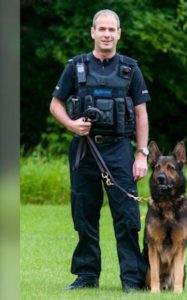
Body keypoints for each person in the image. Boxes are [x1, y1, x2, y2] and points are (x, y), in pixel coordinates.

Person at [50, 9, 150, 293]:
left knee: (128, 217)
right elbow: (55, 103)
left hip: (119, 150)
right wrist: (71, 124)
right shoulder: (76, 67)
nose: (107, 34)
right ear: (93, 32)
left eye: (111, 29)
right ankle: (86, 275)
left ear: (119, 34)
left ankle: (132, 279)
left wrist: (141, 154)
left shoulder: (131, 69)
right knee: (84, 214)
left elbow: (142, 114)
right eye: (101, 29)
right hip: (84, 150)